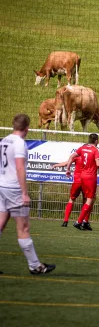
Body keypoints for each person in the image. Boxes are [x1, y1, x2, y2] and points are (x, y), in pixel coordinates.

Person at [0, 114, 55, 274]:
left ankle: (35, 265)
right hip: (13, 189)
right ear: (27, 128)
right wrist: (24, 192)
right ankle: (35, 266)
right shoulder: (19, 144)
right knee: (23, 227)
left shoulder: (5, 140)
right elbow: (20, 168)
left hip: (1, 186)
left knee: (1, 224)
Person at [65, 133, 99, 231]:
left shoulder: (82, 148)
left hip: (82, 176)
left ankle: (85, 222)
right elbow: (98, 163)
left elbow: (71, 156)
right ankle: (80, 222)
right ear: (96, 141)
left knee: (90, 198)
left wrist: (68, 169)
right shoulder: (95, 150)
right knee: (90, 199)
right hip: (90, 177)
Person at [52, 154, 84, 227]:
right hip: (87, 181)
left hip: (77, 181)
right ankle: (82, 221)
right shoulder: (90, 157)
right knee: (86, 201)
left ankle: (65, 221)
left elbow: (66, 163)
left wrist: (55, 165)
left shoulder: (77, 156)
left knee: (71, 200)